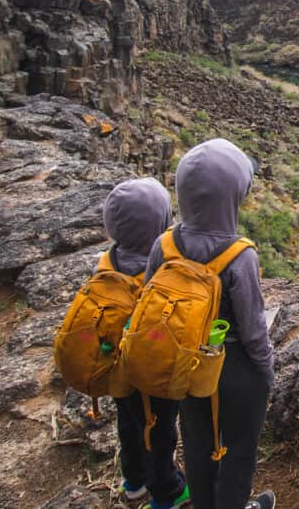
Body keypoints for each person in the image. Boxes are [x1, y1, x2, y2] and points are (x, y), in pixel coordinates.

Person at [146, 139, 276, 509]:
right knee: (238, 450)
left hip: (185, 365)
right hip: (235, 369)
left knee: (198, 442)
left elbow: (150, 303)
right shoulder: (240, 255)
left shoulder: (164, 244)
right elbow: (254, 333)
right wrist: (267, 372)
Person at [101, 178, 191, 509]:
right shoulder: (160, 271)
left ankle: (134, 483)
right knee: (159, 432)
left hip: (116, 368)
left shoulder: (107, 263)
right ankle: (167, 493)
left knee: (128, 424)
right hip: (150, 371)